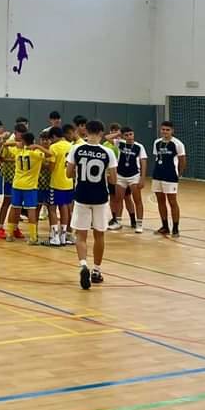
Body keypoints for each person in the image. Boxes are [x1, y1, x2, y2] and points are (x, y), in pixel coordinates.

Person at [66, 120, 117, 290]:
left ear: (85, 132)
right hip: (100, 197)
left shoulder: (76, 149)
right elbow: (113, 179)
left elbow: (68, 173)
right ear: (102, 133)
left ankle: (83, 265)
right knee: (99, 235)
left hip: (82, 196)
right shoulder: (108, 152)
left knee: (81, 235)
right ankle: (96, 270)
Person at [6, 132, 48, 244]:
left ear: (23, 141)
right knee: (31, 210)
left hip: (17, 185)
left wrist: (16, 143)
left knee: (14, 208)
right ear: (33, 141)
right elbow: (50, 154)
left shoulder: (18, 151)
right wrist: (38, 146)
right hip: (30, 187)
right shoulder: (36, 153)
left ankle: (9, 234)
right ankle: (33, 237)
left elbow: (6, 144)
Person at [151, 121, 187, 237]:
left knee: (172, 202)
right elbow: (157, 157)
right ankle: (165, 226)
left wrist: (179, 174)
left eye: (167, 130)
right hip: (157, 175)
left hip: (170, 176)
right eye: (163, 129)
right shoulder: (157, 142)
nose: (165, 132)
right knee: (160, 201)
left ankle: (175, 228)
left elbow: (182, 160)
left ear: (172, 131)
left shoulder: (177, 144)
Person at [115, 127, 147, 233]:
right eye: (126, 135)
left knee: (137, 200)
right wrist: (118, 133)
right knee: (119, 199)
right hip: (120, 175)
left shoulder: (139, 147)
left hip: (134, 176)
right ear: (123, 136)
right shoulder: (120, 143)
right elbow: (107, 137)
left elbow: (143, 162)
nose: (129, 137)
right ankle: (118, 221)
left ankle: (139, 224)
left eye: (131, 134)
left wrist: (142, 178)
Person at [48, 125, 75, 246]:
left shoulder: (54, 147)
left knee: (52, 209)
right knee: (64, 208)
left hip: (57, 182)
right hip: (68, 182)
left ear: (54, 136)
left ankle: (55, 236)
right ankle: (63, 236)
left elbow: (51, 167)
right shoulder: (71, 146)